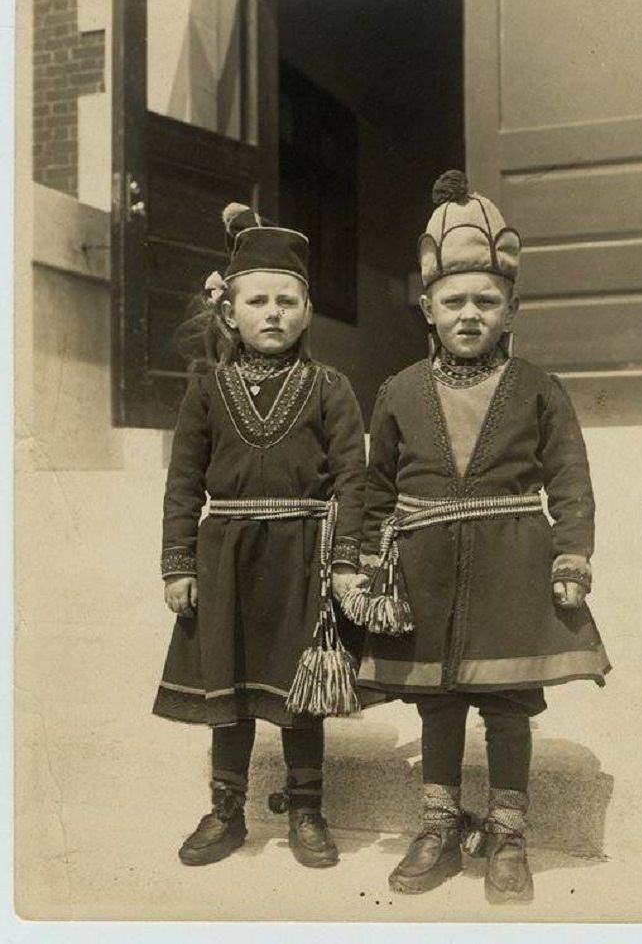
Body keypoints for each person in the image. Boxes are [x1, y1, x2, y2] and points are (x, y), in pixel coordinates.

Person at [342, 170, 611, 903]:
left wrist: (571, 553)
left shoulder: (540, 389)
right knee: (438, 700)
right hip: (424, 569)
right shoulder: (398, 392)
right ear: (427, 307)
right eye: (454, 301)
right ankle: (436, 822)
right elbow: (373, 485)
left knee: (506, 699)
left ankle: (509, 829)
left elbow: (570, 480)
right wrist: (365, 559)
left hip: (511, 565)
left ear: (511, 308)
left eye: (486, 302)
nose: (469, 315)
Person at [153, 203, 366, 870]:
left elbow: (354, 481)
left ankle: (306, 810)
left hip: (305, 555)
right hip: (228, 558)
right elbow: (184, 483)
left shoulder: (329, 387)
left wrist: (345, 562)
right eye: (258, 300)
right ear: (229, 312)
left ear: (306, 311)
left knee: (301, 691)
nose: (272, 312)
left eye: (287, 300)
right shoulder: (207, 390)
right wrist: (178, 563)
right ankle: (226, 812)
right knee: (230, 687)